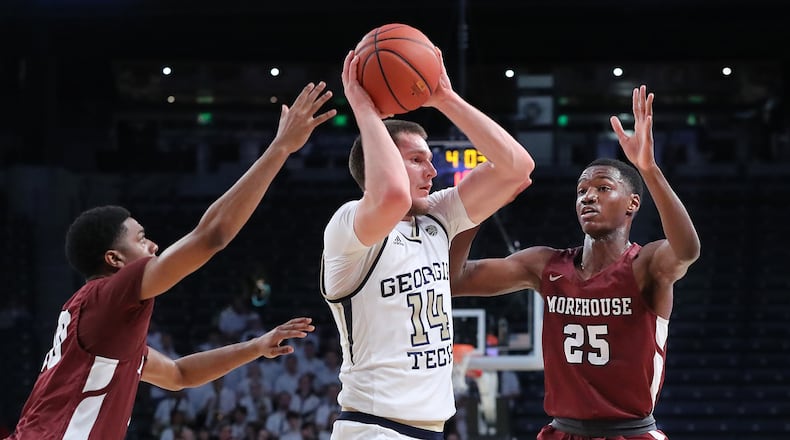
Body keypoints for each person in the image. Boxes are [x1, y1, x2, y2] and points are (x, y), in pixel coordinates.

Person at [6, 81, 336, 440]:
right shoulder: (107, 298)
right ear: (114, 259)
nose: (153, 245)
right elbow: (211, 236)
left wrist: (256, 346)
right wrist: (280, 148)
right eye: (141, 238)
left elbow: (180, 375)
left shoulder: (106, 328)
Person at [449, 85, 701, 440]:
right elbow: (455, 280)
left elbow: (688, 250)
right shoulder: (544, 264)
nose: (588, 197)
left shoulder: (646, 265)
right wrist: (473, 210)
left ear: (632, 204)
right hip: (561, 432)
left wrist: (648, 169)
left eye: (602, 188)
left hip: (629, 432)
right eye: (582, 190)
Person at [319, 48, 535, 439]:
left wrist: (444, 98)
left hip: (429, 429)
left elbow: (518, 168)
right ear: (378, 162)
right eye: (417, 159)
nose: (433, 171)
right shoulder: (347, 224)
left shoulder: (436, 216)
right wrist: (365, 110)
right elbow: (392, 198)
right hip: (374, 428)